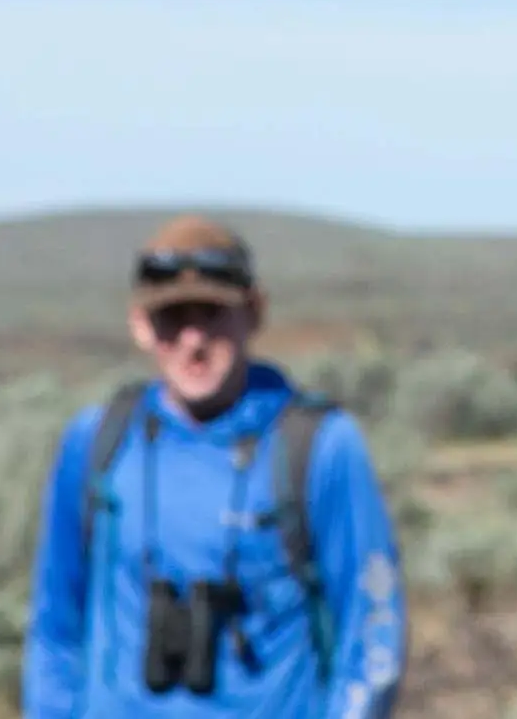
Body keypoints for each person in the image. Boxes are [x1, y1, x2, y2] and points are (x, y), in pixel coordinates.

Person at [24, 216, 404, 719]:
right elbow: (55, 630)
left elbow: (373, 638)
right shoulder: (96, 443)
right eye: (172, 318)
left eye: (212, 314)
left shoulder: (320, 446)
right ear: (139, 324)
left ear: (255, 312)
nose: (193, 340)